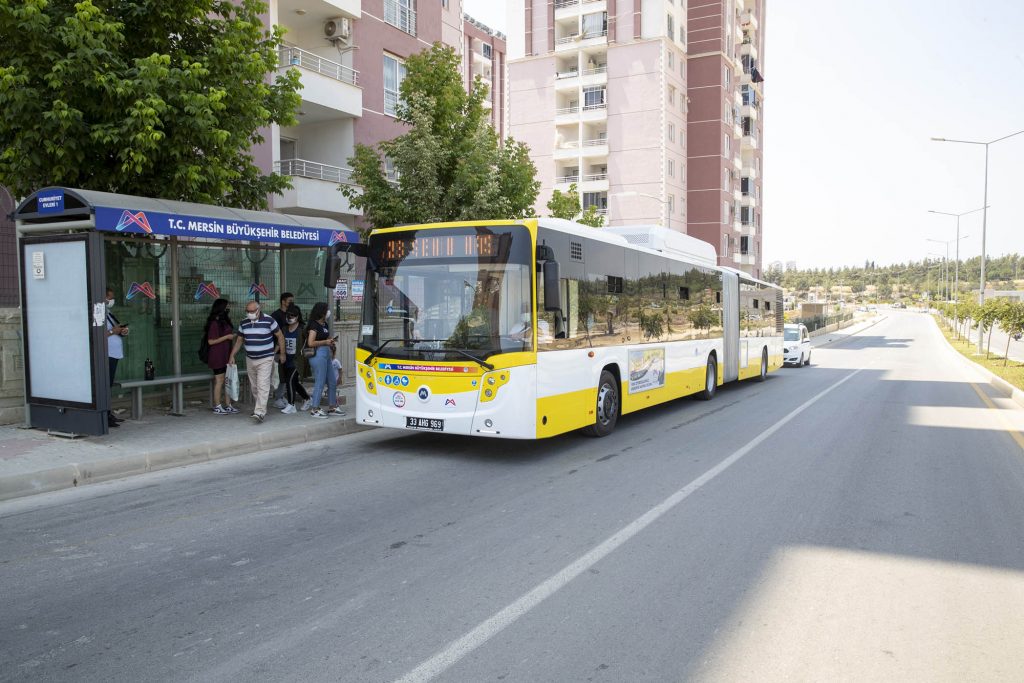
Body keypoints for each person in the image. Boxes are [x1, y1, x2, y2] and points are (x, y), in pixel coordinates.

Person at [229, 300, 286, 423]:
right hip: (250, 359)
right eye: (247, 311)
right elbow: (239, 340)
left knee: (262, 384)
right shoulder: (244, 323)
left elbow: (280, 336)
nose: (249, 313)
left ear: (258, 310)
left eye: (252, 311)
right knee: (254, 387)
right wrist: (232, 355)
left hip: (266, 358)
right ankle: (259, 407)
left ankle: (260, 412)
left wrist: (282, 353)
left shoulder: (269, 320)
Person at [305, 302, 344, 418]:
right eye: (327, 310)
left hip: (326, 353)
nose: (328, 312)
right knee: (320, 382)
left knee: (332, 381)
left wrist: (330, 341)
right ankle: (315, 409)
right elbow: (310, 342)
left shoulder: (324, 324)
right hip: (318, 354)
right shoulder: (314, 325)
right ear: (321, 311)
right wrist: (325, 342)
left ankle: (332, 406)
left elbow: (325, 338)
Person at [205, 298, 239, 415]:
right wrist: (227, 337)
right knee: (219, 381)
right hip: (217, 355)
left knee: (227, 380)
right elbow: (210, 341)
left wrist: (232, 355)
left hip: (227, 355)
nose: (228, 309)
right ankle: (218, 405)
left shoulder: (225, 321)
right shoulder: (214, 323)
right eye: (226, 307)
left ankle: (228, 405)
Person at [280, 304, 311, 414]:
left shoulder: (302, 329)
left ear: (298, 316)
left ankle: (291, 404)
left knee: (289, 380)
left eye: (293, 315)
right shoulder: (284, 329)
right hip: (286, 359)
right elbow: (280, 342)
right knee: (294, 382)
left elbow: (309, 344)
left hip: (298, 361)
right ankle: (307, 398)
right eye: (288, 315)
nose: (290, 317)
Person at [105, 287, 128, 428]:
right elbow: (98, 333)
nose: (111, 301)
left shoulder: (108, 312)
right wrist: (114, 331)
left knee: (109, 384)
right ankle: (105, 415)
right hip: (107, 354)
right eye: (109, 298)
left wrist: (122, 331)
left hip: (114, 353)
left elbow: (113, 329)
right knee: (106, 385)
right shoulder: (98, 313)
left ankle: (109, 413)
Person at [271, 292, 294, 409]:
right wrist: (277, 351)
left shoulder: (291, 315)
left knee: (285, 375)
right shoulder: (276, 315)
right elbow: (278, 335)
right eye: (289, 301)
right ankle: (277, 398)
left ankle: (280, 396)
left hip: (288, 350)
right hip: (277, 350)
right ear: (283, 301)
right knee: (279, 375)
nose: (291, 303)